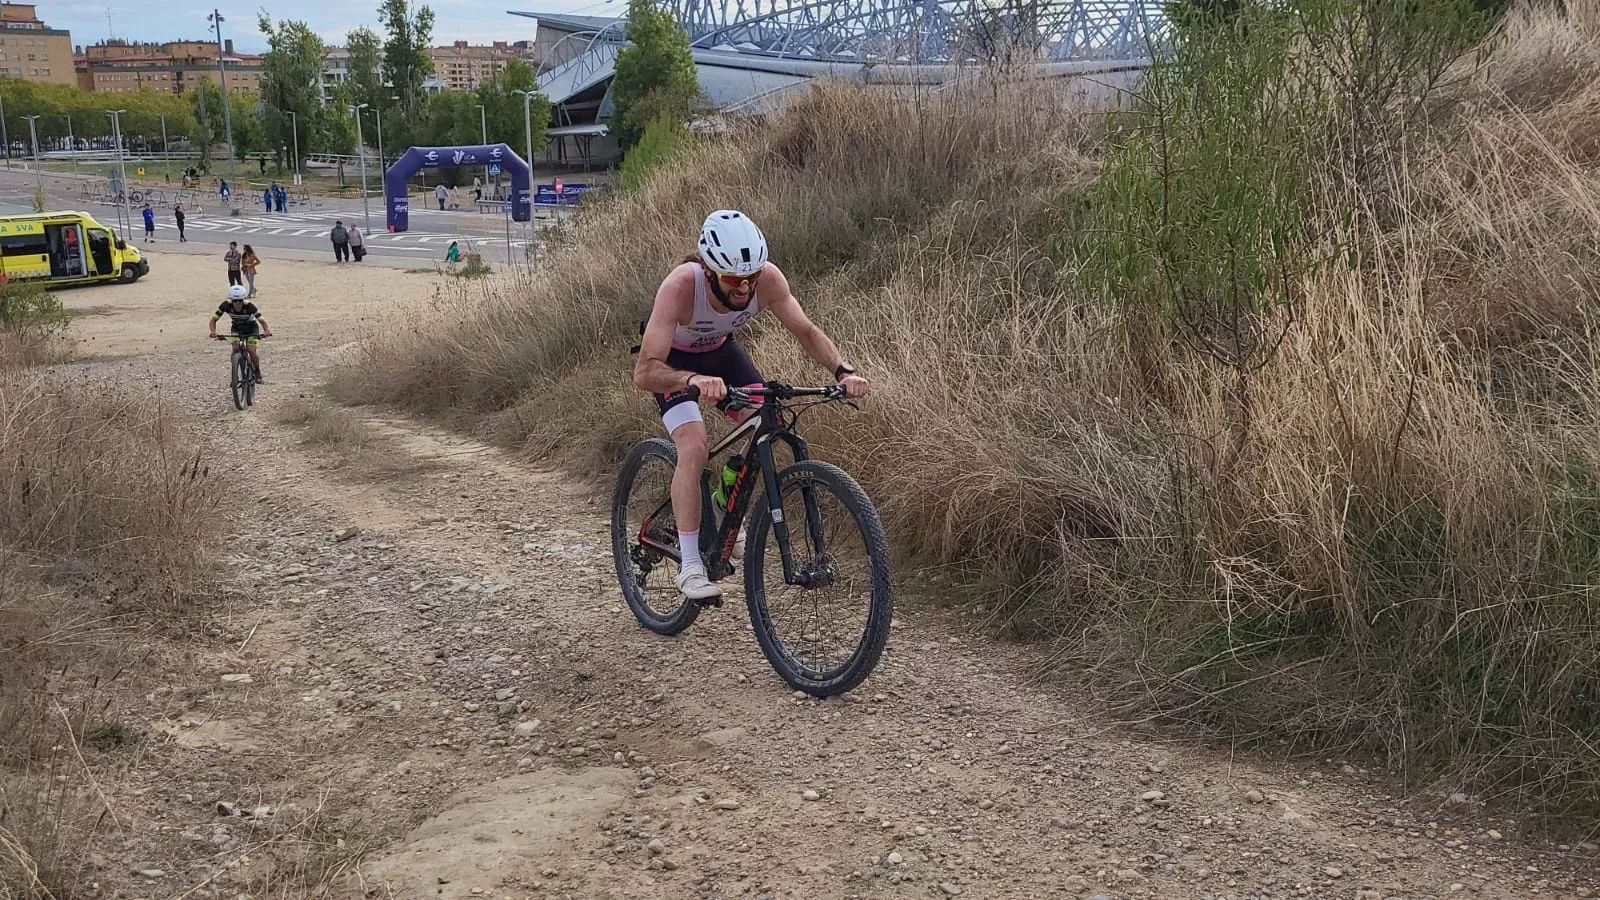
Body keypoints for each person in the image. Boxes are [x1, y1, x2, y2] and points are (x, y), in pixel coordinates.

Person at [633, 210, 870, 602]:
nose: (743, 288)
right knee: (693, 447)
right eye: (732, 279)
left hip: (720, 354)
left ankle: (725, 504)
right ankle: (690, 565)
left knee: (768, 418)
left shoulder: (768, 279)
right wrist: (690, 380)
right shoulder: (680, 287)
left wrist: (842, 371)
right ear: (709, 272)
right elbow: (645, 371)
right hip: (671, 363)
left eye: (750, 278)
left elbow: (806, 331)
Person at [210, 284, 272, 383]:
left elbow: (262, 321)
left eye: (240, 301)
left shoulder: (250, 306)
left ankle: (257, 371)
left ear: (243, 300)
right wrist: (213, 332)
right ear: (231, 300)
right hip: (236, 328)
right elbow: (213, 320)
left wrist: (266, 331)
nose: (237, 303)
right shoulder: (225, 305)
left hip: (251, 328)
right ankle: (235, 375)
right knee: (235, 348)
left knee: (251, 350)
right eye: (234, 301)